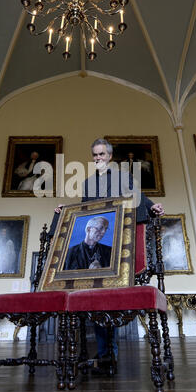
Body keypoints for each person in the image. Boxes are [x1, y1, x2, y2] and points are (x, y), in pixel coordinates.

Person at [49, 138, 165, 373]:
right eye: (95, 155)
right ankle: (101, 357)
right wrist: (64, 212)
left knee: (110, 302)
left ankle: (107, 357)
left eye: (101, 154)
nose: (98, 158)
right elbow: (84, 214)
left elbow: (140, 198)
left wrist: (154, 207)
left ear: (110, 156)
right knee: (96, 299)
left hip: (118, 244)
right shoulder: (88, 183)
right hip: (97, 249)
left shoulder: (124, 178)